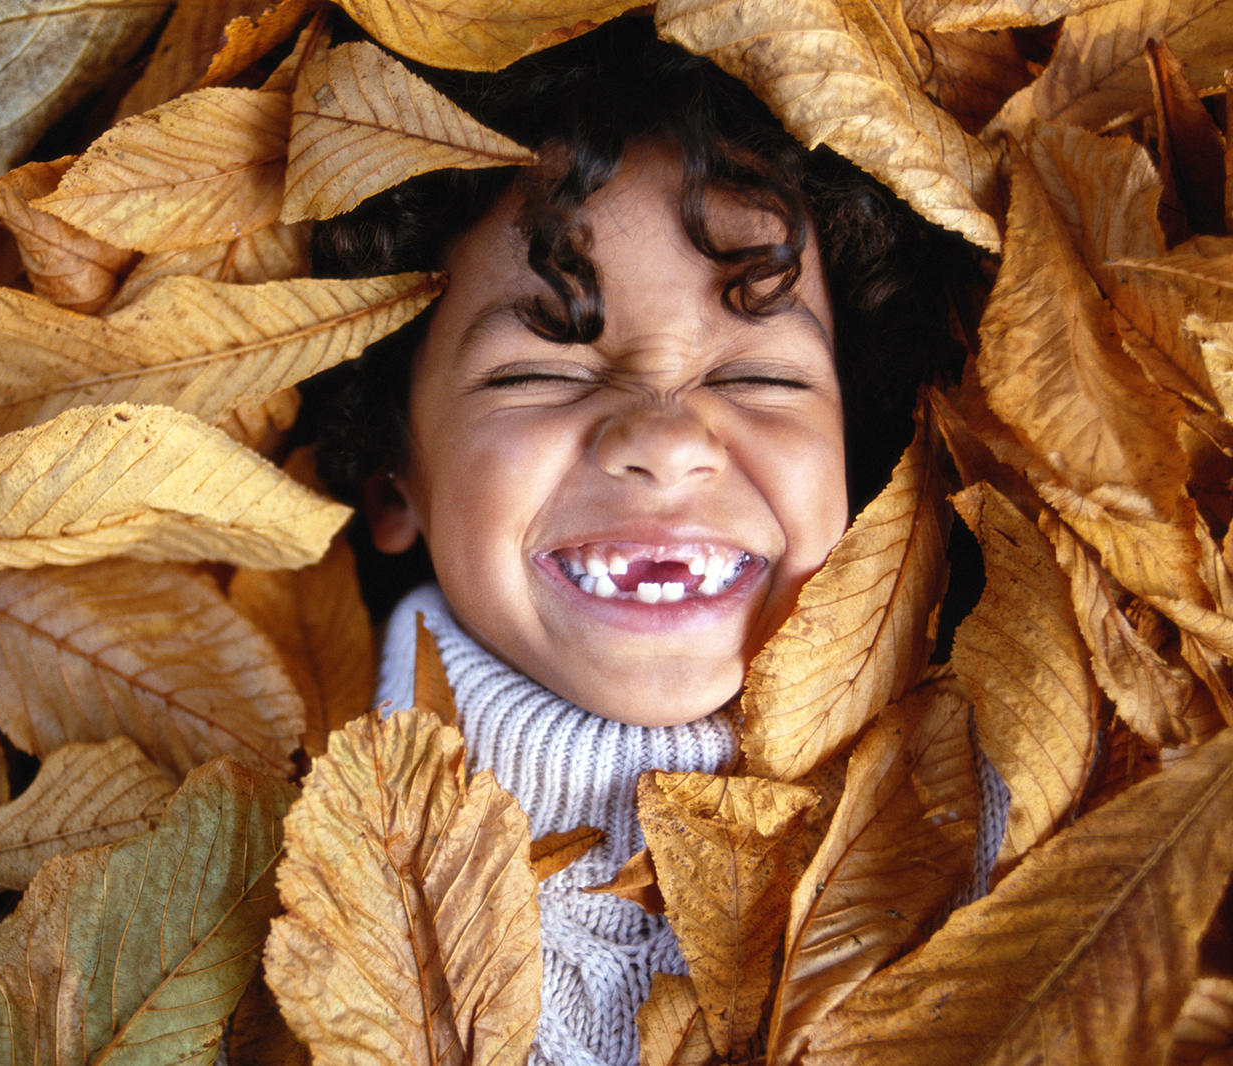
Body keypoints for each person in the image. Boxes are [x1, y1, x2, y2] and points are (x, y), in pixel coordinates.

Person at [300, 17, 973, 1066]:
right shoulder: (259, 862)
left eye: (761, 376)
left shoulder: (989, 843)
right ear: (394, 471)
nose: (664, 441)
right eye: (541, 371)